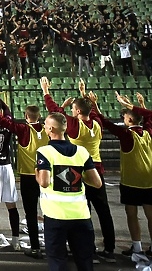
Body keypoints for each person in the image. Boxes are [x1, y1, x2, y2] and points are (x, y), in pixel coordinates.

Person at [44, 77, 116, 262]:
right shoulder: (97, 123)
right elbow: (92, 113)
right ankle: (109, 249)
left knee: (85, 211)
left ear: (76, 111)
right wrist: (84, 95)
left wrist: (46, 92)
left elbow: (56, 115)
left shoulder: (76, 126)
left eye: (74, 109)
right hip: (98, 169)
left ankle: (88, 250)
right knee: (104, 211)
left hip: (81, 171)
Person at [0, 93, 48, 258]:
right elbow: (6, 111)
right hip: (8, 166)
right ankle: (16, 241)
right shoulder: (12, 123)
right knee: (12, 205)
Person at [36, 112, 103, 271]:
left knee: (58, 260)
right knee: (84, 261)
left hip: (56, 215)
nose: (44, 126)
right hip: (81, 215)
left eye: (45, 124)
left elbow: (44, 182)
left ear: (51, 129)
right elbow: (97, 182)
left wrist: (37, 173)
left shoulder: (45, 151)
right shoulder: (82, 151)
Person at [91, 91, 152, 257]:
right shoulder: (148, 132)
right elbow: (149, 117)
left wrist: (95, 105)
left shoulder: (127, 135)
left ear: (130, 120)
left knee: (132, 214)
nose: (124, 119)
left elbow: (104, 121)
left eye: (125, 116)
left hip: (131, 181)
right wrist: (139, 105)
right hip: (149, 181)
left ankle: (137, 247)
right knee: (150, 215)